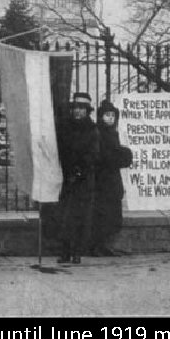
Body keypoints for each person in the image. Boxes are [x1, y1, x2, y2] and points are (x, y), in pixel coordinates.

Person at [55, 92, 100, 264]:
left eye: (81, 109)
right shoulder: (65, 127)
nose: (77, 112)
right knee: (65, 216)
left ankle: (77, 251)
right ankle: (65, 251)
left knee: (81, 216)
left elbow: (94, 154)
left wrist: (80, 171)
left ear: (87, 111)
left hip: (83, 179)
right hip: (66, 178)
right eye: (75, 108)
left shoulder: (92, 130)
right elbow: (59, 150)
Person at [90, 100, 134, 256]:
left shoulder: (113, 134)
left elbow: (118, 156)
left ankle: (104, 245)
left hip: (112, 180)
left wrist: (123, 155)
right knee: (101, 214)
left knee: (112, 214)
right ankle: (97, 245)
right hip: (101, 180)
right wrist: (123, 155)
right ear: (101, 116)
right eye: (106, 115)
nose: (109, 118)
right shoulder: (97, 133)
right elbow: (104, 156)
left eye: (112, 115)